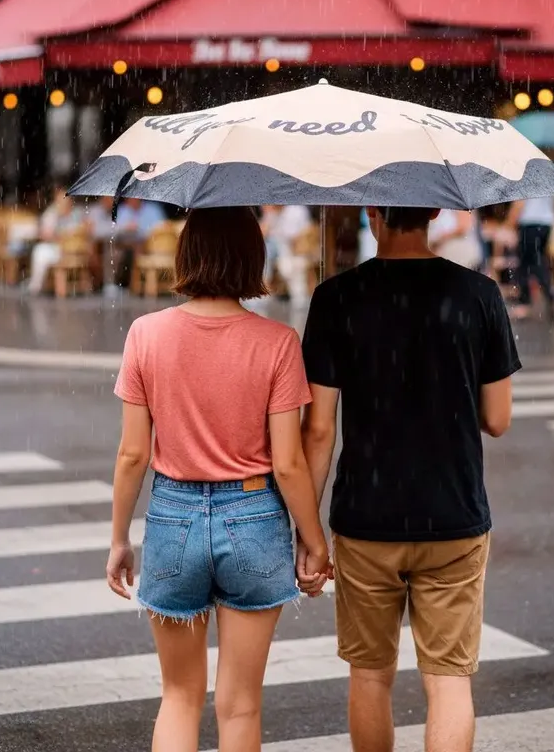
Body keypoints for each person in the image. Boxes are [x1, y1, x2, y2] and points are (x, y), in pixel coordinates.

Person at [299, 206, 520, 752]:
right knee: (448, 682)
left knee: (371, 676)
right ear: (436, 211)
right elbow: (497, 419)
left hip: (365, 517)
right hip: (454, 514)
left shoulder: (336, 297)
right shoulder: (479, 295)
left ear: (374, 213)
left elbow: (320, 430)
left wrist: (306, 531)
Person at [109, 206, 330, 752]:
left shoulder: (146, 334)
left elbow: (134, 453)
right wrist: (313, 537)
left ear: (187, 256)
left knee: (180, 696)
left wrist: (119, 538)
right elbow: (288, 463)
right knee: (240, 704)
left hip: (172, 517)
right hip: (255, 516)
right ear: (252, 258)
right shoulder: (277, 342)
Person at [507, 196, 554, 320]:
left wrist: (508, 224)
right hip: (547, 223)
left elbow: (519, 202)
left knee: (529, 263)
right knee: (536, 261)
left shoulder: (524, 176)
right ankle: (548, 297)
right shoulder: (548, 177)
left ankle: (548, 297)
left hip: (530, 223)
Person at [25, 187, 83, 294]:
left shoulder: (77, 213)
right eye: (60, 200)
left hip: (75, 252)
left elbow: (84, 230)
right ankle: (36, 286)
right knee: (40, 251)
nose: (63, 202)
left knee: (40, 251)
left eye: (65, 199)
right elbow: (44, 233)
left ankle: (35, 286)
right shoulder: (52, 213)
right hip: (58, 249)